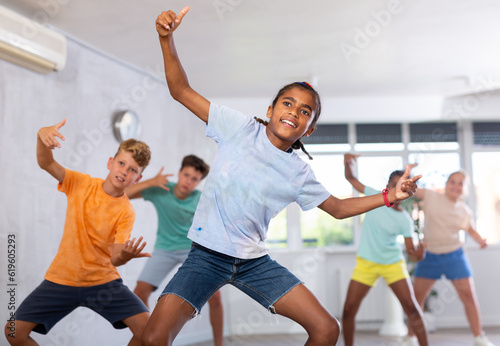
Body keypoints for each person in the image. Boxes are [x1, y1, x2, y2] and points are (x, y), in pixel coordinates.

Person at [141, 7, 421, 346]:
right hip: (205, 256)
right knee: (154, 338)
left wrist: (391, 196)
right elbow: (180, 90)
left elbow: (338, 208)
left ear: (310, 128)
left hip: (253, 262)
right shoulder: (238, 128)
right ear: (271, 110)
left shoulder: (299, 171)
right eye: (288, 103)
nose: (294, 112)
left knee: (326, 329)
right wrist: (166, 39)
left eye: (305, 111)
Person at [4, 119, 152, 346]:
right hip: (62, 279)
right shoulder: (81, 183)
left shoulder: (126, 211)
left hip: (104, 283)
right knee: (14, 332)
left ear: (138, 178)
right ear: (110, 162)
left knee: (148, 333)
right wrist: (41, 136)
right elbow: (46, 163)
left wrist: (125, 255)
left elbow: (115, 258)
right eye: (122, 163)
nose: (125, 171)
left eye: (133, 170)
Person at [125, 155, 224, 346]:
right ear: (179, 173)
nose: (188, 181)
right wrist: (150, 182)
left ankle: (219, 344)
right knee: (139, 291)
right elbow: (124, 193)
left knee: (216, 297)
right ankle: (149, 335)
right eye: (186, 175)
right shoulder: (161, 190)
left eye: (194, 179)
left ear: (199, 182)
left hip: (193, 251)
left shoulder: (200, 200)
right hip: (165, 250)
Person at [341, 154, 428, 346]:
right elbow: (351, 179)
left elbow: (411, 253)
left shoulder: (404, 219)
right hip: (367, 262)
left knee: (412, 309)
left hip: (392, 264)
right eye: (395, 183)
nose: (399, 187)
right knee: (348, 310)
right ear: (388, 186)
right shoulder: (374, 195)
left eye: (403, 184)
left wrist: (419, 255)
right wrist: (347, 161)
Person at [405, 171, 494, 346]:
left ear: (465, 189)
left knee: (468, 296)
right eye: (452, 182)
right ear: (446, 184)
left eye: (460, 183)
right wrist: (407, 180)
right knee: (417, 298)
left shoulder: (464, 211)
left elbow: (470, 230)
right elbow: (412, 190)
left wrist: (480, 240)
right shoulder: (431, 197)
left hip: (455, 255)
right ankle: (410, 337)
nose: (456, 186)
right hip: (430, 255)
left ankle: (479, 337)